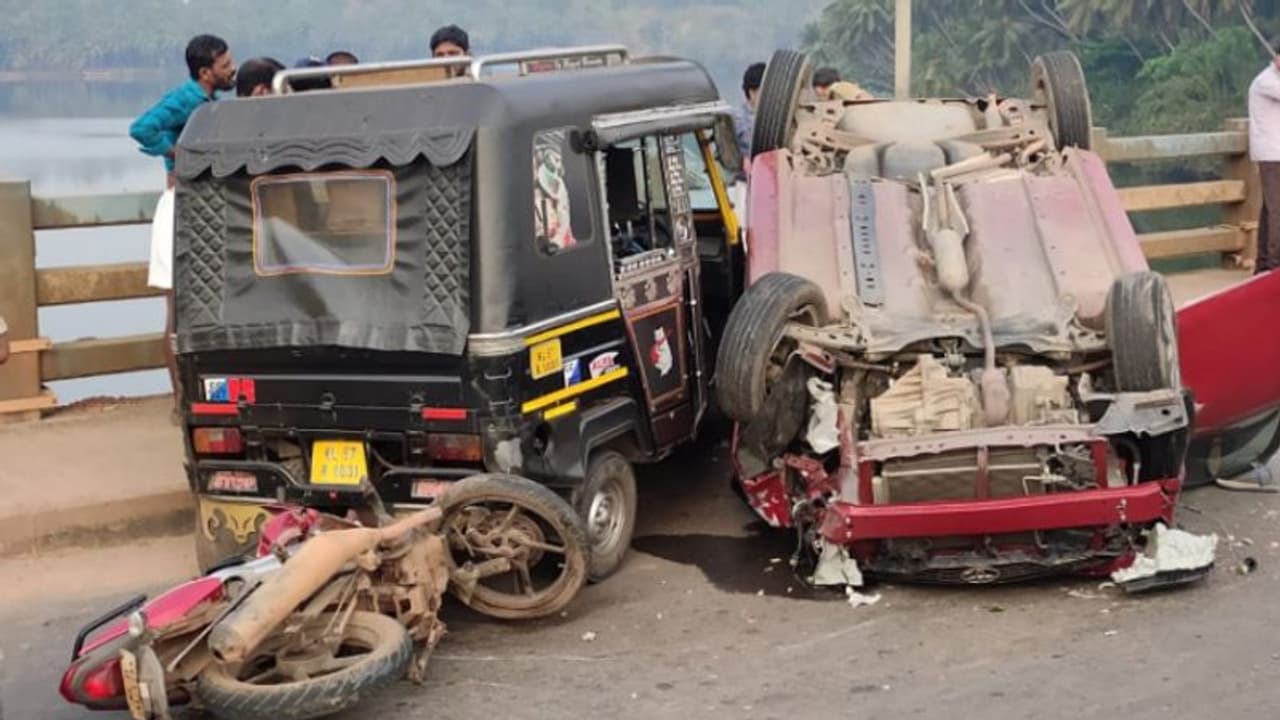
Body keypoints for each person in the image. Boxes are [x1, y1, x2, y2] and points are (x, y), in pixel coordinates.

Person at [128, 34, 234, 421]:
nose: (231, 70)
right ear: (206, 72)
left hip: (207, 209)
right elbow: (141, 128)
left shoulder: (214, 105)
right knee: (176, 309)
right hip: (180, 209)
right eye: (225, 65)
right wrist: (176, 154)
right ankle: (178, 400)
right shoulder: (183, 99)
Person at [1249, 55, 1280, 274]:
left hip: (1276, 152)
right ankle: (1274, 264)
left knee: (1269, 209)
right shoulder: (1266, 81)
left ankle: (1262, 263)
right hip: (1271, 154)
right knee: (1277, 208)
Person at [732, 62, 766, 177]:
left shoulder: (780, 118)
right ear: (752, 92)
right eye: (765, 90)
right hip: (745, 184)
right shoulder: (737, 119)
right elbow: (723, 153)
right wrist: (742, 160)